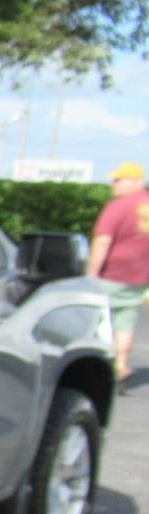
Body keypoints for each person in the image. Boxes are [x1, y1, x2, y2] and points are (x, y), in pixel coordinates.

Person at [86, 160, 149, 388]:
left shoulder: (119, 206)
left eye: (118, 180)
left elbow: (102, 241)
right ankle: (121, 366)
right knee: (126, 321)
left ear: (136, 181)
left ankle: (99, 370)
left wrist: (91, 274)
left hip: (112, 274)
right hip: (140, 277)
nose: (113, 184)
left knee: (98, 320)